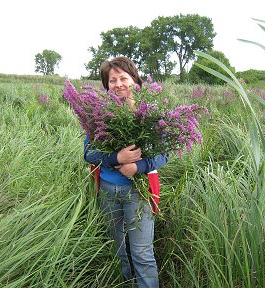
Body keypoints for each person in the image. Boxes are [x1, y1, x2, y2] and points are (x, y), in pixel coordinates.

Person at [83, 56, 168, 287]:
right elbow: (88, 154)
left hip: (138, 193)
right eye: (112, 80)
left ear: (134, 81)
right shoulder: (97, 115)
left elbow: (164, 155)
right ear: (106, 85)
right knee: (116, 248)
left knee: (142, 253)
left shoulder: (150, 113)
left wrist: (137, 167)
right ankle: (126, 283)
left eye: (123, 78)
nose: (118, 84)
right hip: (108, 191)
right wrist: (116, 158)